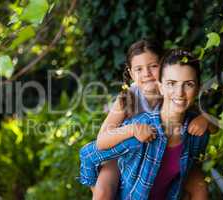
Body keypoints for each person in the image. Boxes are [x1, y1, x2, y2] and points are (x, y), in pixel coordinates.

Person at [79, 49, 210, 199]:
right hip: (123, 151)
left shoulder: (195, 132)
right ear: (161, 86)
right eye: (171, 83)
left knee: (200, 188)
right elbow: (91, 151)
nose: (179, 92)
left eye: (189, 84)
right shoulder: (132, 107)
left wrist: (207, 120)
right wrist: (96, 189)